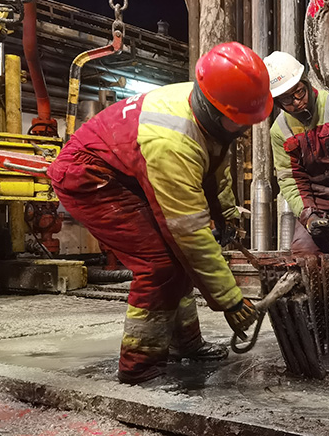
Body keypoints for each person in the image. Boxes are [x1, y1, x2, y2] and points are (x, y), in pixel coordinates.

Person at [47, 42, 272, 384]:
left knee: (174, 260)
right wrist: (229, 299)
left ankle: (186, 345)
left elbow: (215, 165)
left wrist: (225, 214)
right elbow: (189, 232)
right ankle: (140, 367)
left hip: (123, 172)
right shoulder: (173, 141)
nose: (242, 129)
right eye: (237, 122)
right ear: (214, 109)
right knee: (159, 264)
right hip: (89, 176)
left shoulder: (209, 106)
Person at [264, 51, 329, 256]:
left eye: (299, 92)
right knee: (304, 255)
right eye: (287, 100)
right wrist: (308, 217)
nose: (297, 102)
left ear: (306, 82)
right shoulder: (280, 131)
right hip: (316, 204)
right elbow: (291, 181)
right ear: (276, 103)